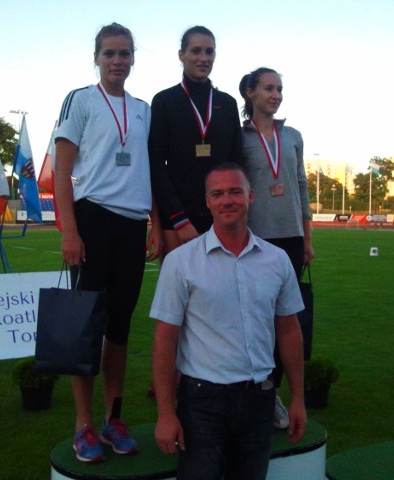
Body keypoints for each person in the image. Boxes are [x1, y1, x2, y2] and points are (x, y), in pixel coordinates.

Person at [150, 163, 307, 480]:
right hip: (202, 405)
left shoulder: (276, 260)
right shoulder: (182, 262)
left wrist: (299, 399)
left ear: (250, 196)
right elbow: (164, 340)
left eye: (235, 192)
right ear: (207, 201)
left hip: (260, 400)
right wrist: (166, 414)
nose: (227, 200)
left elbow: (289, 331)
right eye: (218, 194)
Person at [54, 22, 162, 463]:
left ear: (134, 58)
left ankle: (114, 418)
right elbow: (62, 171)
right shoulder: (79, 100)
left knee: (119, 328)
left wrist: (155, 221)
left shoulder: (143, 109)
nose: (118, 60)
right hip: (93, 220)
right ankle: (83, 425)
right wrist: (70, 230)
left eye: (124, 53)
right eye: (109, 53)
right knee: (85, 328)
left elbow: (147, 169)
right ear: (96, 58)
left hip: (133, 224)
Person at [238, 67, 314, 430]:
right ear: (250, 93)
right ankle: (250, 390)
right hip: (256, 238)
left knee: (286, 320)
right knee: (255, 322)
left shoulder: (294, 135)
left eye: (279, 88)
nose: (276, 94)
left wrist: (308, 238)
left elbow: (300, 185)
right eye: (269, 88)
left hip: (291, 238)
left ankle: (272, 394)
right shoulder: (239, 138)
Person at [149, 25, 242, 257]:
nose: (203, 58)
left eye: (209, 52)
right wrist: (179, 220)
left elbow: (237, 163)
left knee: (222, 288)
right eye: (196, 51)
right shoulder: (164, 101)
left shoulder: (227, 104)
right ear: (181, 55)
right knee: (179, 290)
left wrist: (231, 213)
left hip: (220, 216)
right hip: (177, 220)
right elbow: (156, 166)